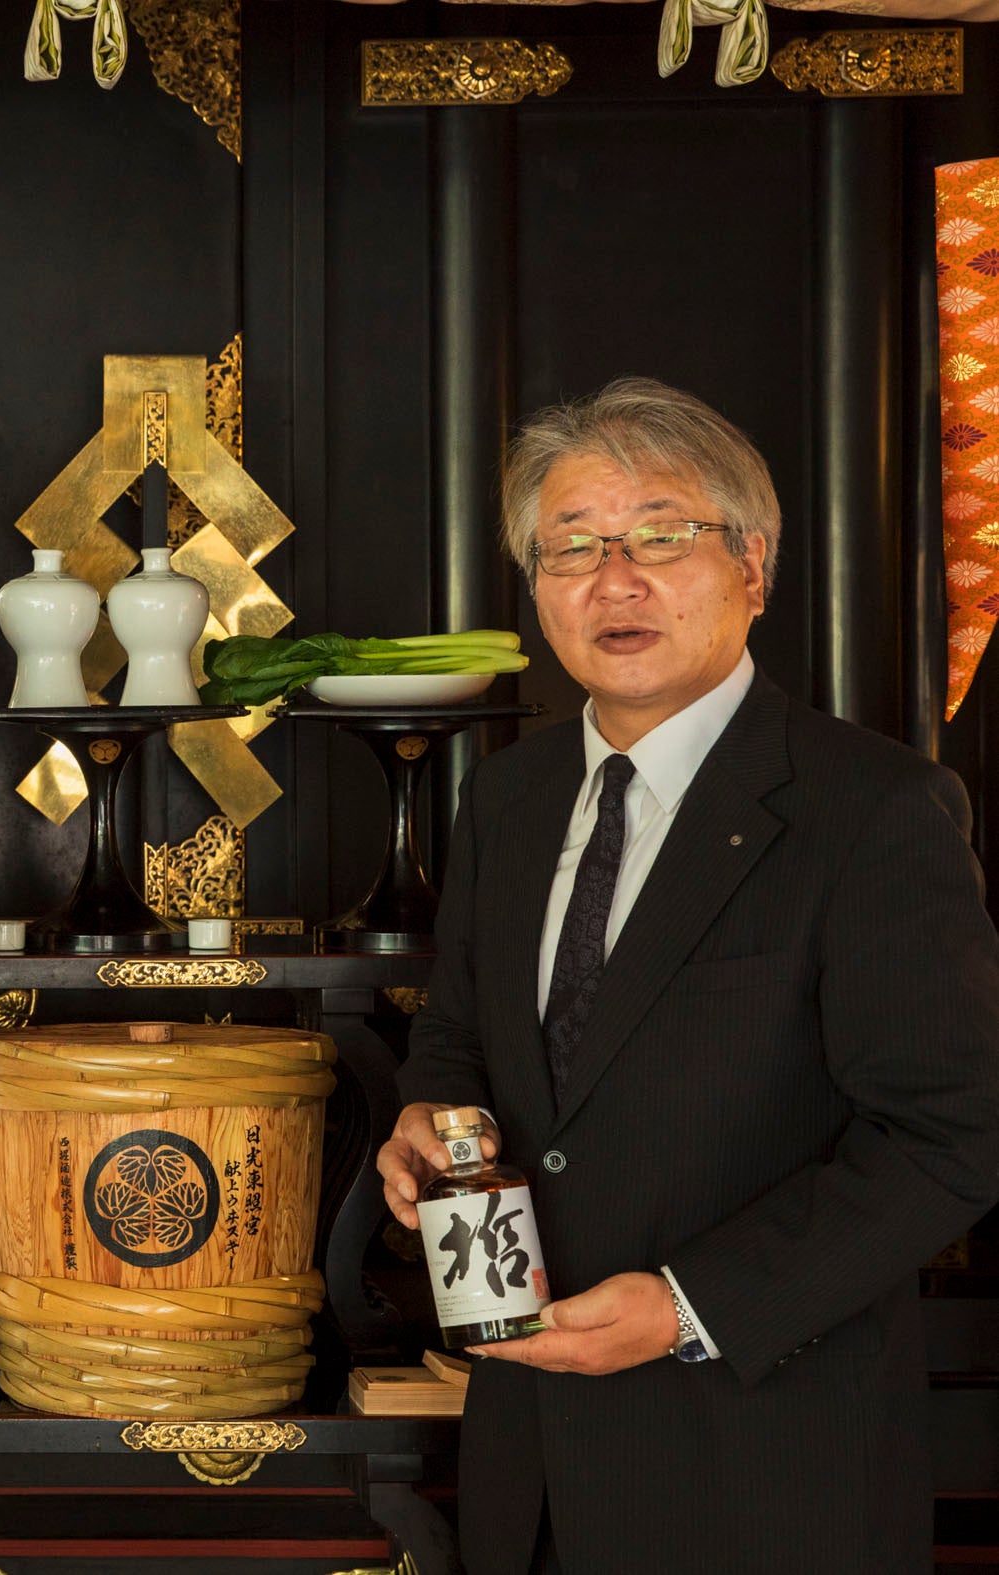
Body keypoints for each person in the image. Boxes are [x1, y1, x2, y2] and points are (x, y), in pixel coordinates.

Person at [377, 379, 999, 1573]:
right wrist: (427, 1110)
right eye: (571, 546)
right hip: (527, 1471)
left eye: (661, 536)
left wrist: (685, 1308)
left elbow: (951, 1136)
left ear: (751, 566)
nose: (613, 580)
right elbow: (457, 1032)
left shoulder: (871, 810)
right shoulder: (507, 799)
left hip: (763, 1474)